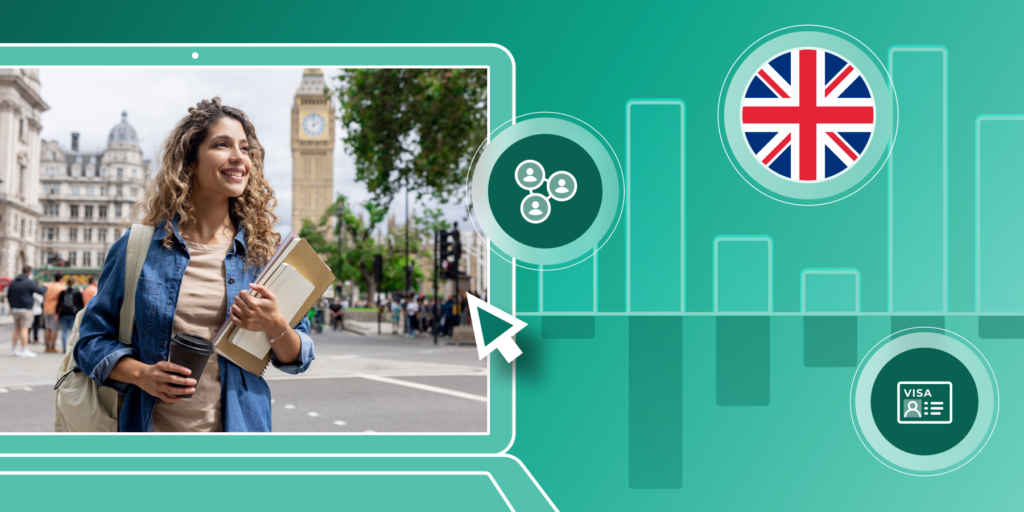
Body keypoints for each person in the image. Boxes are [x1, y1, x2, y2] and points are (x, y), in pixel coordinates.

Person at [75, 97, 315, 433]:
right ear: (189, 161)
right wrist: (142, 374)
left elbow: (299, 358)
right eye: (222, 145)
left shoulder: (262, 256)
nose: (239, 157)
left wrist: (275, 325)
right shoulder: (137, 248)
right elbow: (89, 342)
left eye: (245, 148)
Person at [7, 265, 47, 358]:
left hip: (15, 309)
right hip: (25, 309)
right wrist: (46, 287)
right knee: (24, 329)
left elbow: (9, 295)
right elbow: (40, 291)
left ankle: (13, 349)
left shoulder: (13, 282)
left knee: (17, 329)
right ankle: (24, 349)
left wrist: (11, 307)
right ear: (29, 272)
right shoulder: (29, 282)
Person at [56, 278, 85, 354]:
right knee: (72, 332)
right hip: (73, 314)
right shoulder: (77, 293)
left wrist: (57, 313)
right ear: (74, 284)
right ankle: (70, 349)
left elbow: (59, 303)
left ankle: (64, 348)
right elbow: (81, 304)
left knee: (64, 331)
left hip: (63, 313)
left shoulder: (63, 292)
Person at [42, 273, 66, 353]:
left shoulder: (48, 285)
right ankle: (52, 346)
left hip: (46, 308)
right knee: (54, 329)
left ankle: (47, 346)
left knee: (47, 328)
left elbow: (43, 295)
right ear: (61, 279)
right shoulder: (61, 287)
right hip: (54, 309)